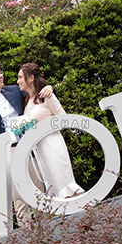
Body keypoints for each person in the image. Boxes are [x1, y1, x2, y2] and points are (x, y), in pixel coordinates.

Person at [0, 59, 52, 227]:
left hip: (29, 147)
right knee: (20, 197)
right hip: (8, 153)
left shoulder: (14, 91)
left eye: (1, 72)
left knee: (40, 191)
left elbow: (35, 94)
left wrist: (48, 89)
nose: (1, 75)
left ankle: (50, 232)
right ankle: (29, 241)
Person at [16, 63, 84, 200]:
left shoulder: (47, 96)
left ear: (30, 78)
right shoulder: (27, 102)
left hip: (53, 145)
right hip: (40, 151)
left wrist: (50, 89)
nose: (17, 81)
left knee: (63, 183)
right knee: (53, 187)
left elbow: (64, 119)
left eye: (20, 77)